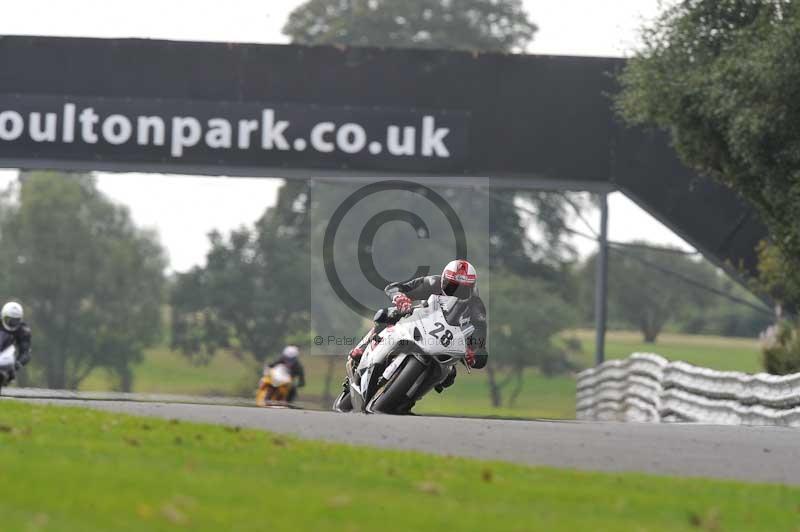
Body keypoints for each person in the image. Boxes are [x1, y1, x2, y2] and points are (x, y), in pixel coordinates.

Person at [349, 259, 488, 392]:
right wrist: (399, 296)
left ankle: (409, 399)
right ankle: (363, 347)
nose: (455, 293)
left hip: (446, 345)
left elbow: (480, 343)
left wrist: (474, 354)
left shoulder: (476, 307)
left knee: (448, 378)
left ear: (471, 288)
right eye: (451, 287)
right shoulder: (433, 282)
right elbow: (394, 287)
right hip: (422, 323)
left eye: (462, 290)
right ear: (443, 281)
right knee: (388, 314)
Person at [0, 301, 32, 381]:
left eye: (15, 320)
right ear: (3, 316)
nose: (11, 323)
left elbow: (26, 352)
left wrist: (18, 364)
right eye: (9, 319)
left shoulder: (23, 330)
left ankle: (5, 375)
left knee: (10, 373)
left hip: (8, 357)